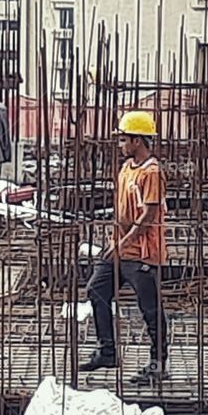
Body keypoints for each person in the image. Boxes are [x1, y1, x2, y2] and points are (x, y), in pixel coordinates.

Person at [80, 110, 169, 385]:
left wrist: (123, 243)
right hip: (118, 248)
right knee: (96, 290)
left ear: (138, 141)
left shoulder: (151, 173)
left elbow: (149, 216)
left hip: (141, 251)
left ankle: (158, 363)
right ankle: (107, 351)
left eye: (123, 140)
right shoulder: (126, 169)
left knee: (150, 309)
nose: (120, 145)